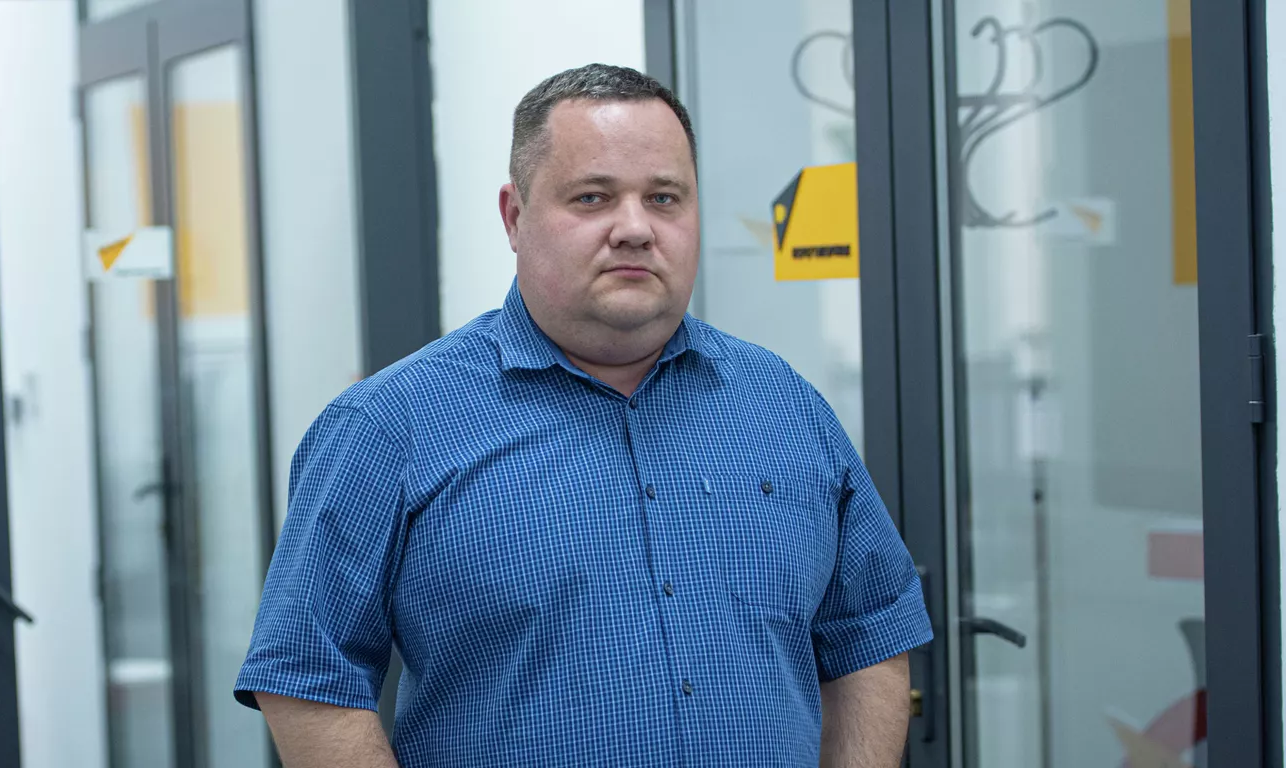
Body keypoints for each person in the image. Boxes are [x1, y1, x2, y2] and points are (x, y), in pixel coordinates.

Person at [232, 63, 933, 767]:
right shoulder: (389, 427)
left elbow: (871, 633)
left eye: (664, 198)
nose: (635, 229)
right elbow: (309, 679)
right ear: (514, 216)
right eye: (592, 198)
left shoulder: (784, 407)